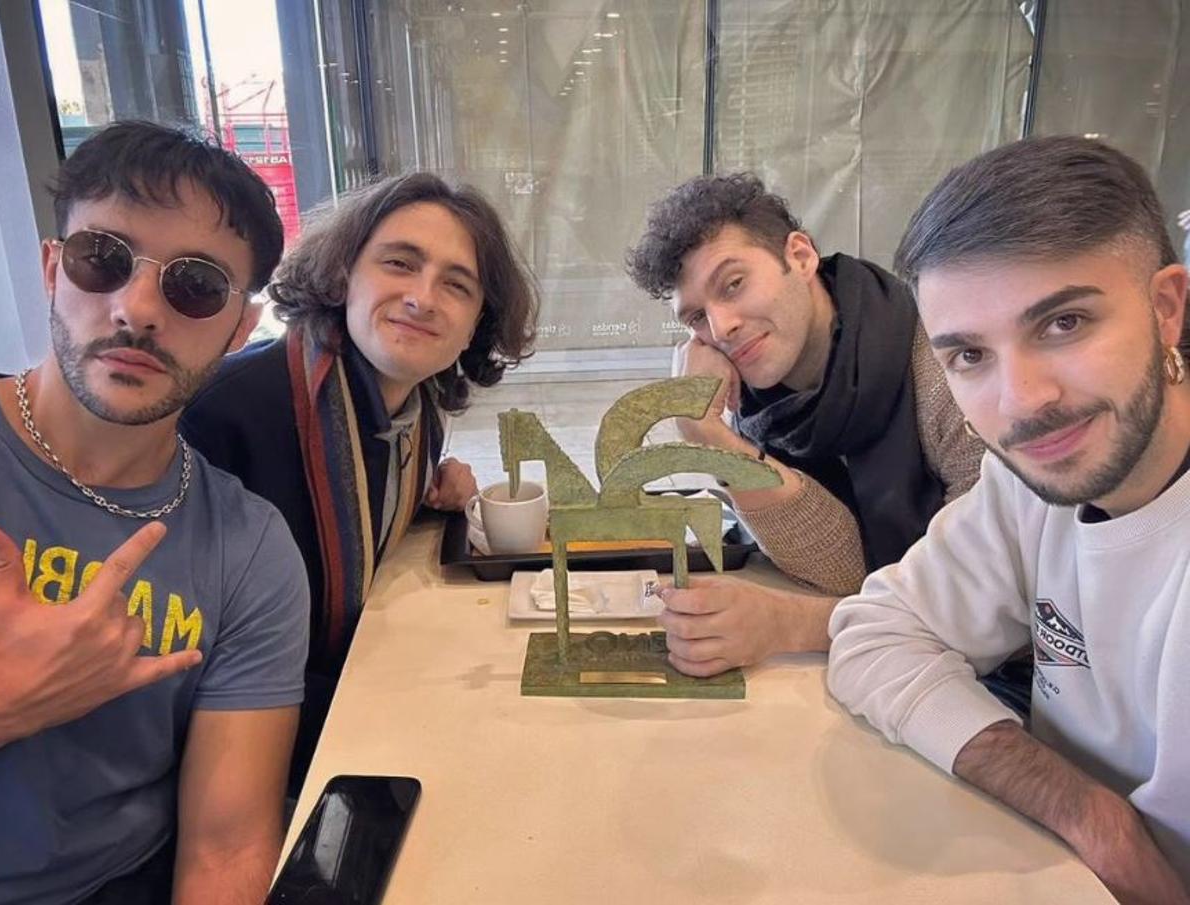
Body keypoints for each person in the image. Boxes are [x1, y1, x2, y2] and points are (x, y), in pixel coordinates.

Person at [828, 136, 1190, 902]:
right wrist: (1090, 813)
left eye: (1063, 324)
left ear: (1166, 309)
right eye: (969, 356)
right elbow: (875, 633)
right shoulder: (1030, 483)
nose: (1021, 400)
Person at [0, 121, 309, 903]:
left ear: (240, 327)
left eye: (194, 285)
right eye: (104, 259)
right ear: (51, 269)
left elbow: (227, 849)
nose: (136, 308)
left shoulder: (251, 548)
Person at [181, 172, 539, 790]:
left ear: (478, 321)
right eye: (400, 263)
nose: (424, 298)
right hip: (251, 756)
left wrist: (436, 494)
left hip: (362, 700)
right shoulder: (222, 411)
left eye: (457, 285)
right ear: (345, 273)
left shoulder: (418, 413)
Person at [624, 173, 985, 676]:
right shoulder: (756, 401)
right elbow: (843, 567)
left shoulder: (945, 367)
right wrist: (709, 433)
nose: (721, 327)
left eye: (734, 284)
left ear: (799, 256)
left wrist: (788, 624)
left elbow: (984, 598)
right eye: (696, 319)